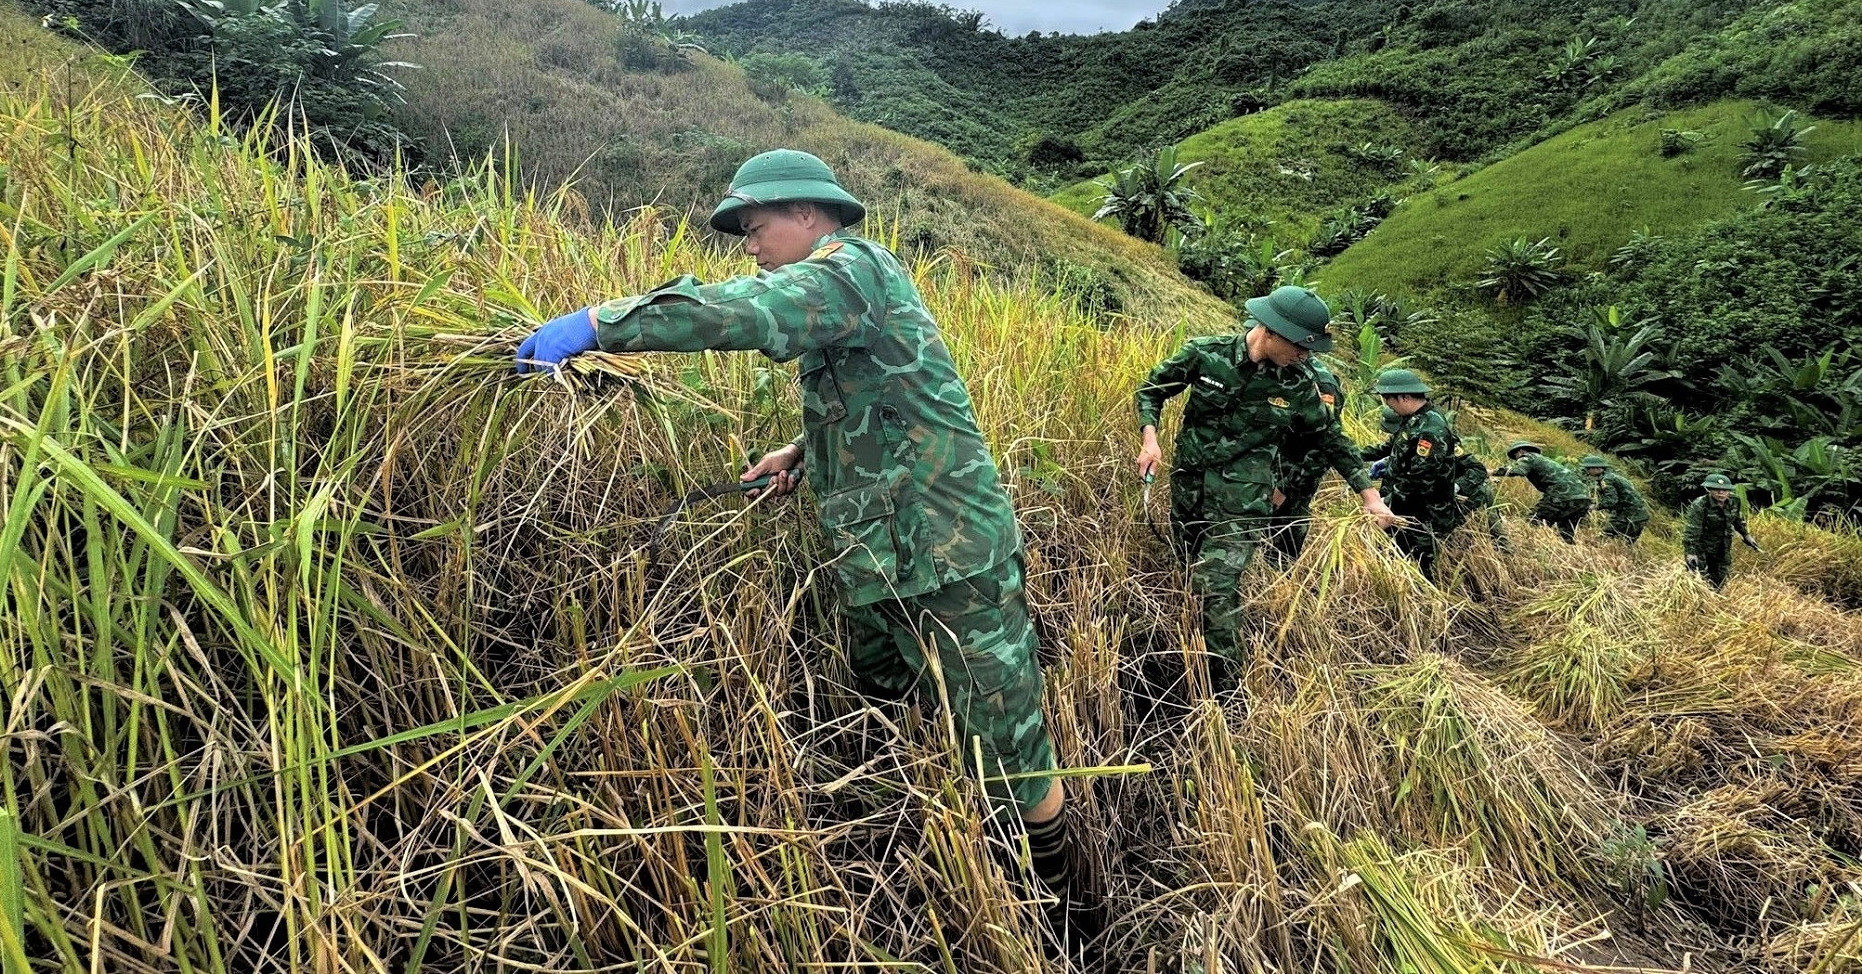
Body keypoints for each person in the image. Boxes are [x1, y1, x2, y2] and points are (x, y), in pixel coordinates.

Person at [511, 149, 1098, 938]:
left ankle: (1064, 912)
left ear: (808, 215)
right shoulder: (849, 293)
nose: (748, 246)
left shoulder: (846, 270)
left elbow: (747, 312)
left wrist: (599, 324)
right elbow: (881, 390)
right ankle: (937, 840)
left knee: (1009, 741)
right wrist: (801, 450)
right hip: (880, 554)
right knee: (893, 692)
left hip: (950, 551)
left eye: (754, 228)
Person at [1134, 286, 1399, 686]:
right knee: (1189, 570)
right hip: (1189, 489)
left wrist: (1371, 497)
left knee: (1215, 584)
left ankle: (1227, 694)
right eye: (1301, 346)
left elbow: (1331, 439)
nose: (1305, 356)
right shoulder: (1207, 353)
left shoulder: (1297, 386)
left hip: (1244, 502)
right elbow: (1153, 389)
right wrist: (1150, 438)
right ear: (1271, 332)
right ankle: (1186, 653)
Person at [1360, 369, 1463, 579]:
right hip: (1404, 508)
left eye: (1389, 400)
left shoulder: (1431, 428)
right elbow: (1390, 447)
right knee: (1397, 563)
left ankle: (1425, 608)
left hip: (1423, 515)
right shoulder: (1413, 420)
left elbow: (1420, 477)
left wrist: (1386, 502)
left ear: (1404, 397)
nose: (1388, 405)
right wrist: (1352, 456)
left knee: (1418, 570)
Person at [1265, 358, 1353, 565]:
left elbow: (1322, 446)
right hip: (1274, 464)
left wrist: (1286, 487)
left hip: (1297, 471)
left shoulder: (1321, 383)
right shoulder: (1280, 367)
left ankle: (1281, 576)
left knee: (1288, 524)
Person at [1491, 441, 1592, 543]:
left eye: (1515, 456)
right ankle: (1567, 551)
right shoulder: (1546, 460)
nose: (1517, 459)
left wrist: (1491, 472)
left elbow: (1517, 470)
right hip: (1583, 497)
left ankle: (1530, 548)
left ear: (1520, 451)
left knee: (1534, 522)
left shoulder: (1528, 457)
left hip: (1561, 494)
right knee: (1565, 534)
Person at [1683, 473, 1761, 589]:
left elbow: (1737, 520)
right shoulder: (1700, 505)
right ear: (1709, 490)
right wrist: (1690, 552)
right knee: (1699, 576)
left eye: (1725, 490)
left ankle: (1717, 598)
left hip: (1723, 544)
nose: (1721, 493)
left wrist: (1746, 535)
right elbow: (1692, 529)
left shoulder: (1734, 501)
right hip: (1702, 545)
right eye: (1717, 490)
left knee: (1721, 575)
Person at [1582, 455, 1650, 543]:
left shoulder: (1606, 480)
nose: (1587, 471)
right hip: (1640, 516)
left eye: (1588, 469)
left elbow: (1611, 500)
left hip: (1627, 516)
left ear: (1597, 469)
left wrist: (1595, 506)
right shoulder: (1614, 477)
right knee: (1627, 545)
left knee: (1599, 540)